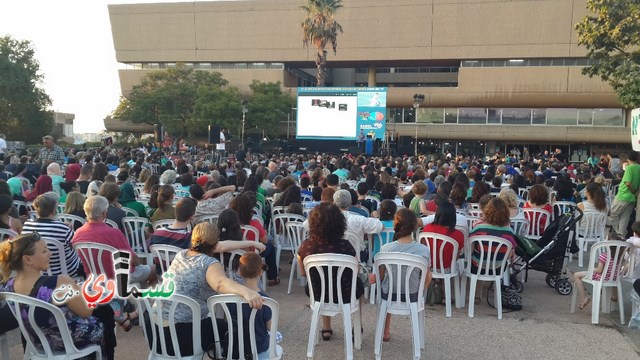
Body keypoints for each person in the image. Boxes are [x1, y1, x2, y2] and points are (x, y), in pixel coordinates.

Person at [0, 232, 115, 358]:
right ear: (28, 259)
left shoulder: (8, 287)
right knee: (105, 313)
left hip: (39, 342)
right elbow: (86, 312)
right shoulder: (60, 282)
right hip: (71, 342)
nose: (50, 253)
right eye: (44, 251)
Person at [156, 222, 264, 356]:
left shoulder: (181, 254)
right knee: (229, 328)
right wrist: (246, 291)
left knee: (212, 324)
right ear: (215, 243)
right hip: (178, 339)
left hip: (155, 334)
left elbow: (223, 245)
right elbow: (220, 283)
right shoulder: (209, 264)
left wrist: (249, 242)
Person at [297, 203, 364, 341]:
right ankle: (357, 324)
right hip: (346, 295)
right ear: (339, 224)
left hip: (317, 294)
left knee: (323, 282)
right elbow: (355, 270)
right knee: (359, 285)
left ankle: (326, 327)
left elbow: (303, 274)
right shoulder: (346, 246)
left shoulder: (306, 246)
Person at [72, 195, 157, 285]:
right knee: (156, 270)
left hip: (93, 277)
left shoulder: (77, 233)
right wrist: (139, 263)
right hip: (120, 276)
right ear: (105, 213)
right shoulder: (113, 233)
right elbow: (132, 259)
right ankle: (147, 298)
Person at [377, 208, 432, 342]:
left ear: (396, 225)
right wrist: (421, 289)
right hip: (412, 295)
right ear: (414, 227)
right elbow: (427, 278)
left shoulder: (386, 249)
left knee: (390, 283)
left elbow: (381, 277)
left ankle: (385, 332)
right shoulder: (423, 250)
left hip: (388, 295)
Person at [231, 252, 282, 359]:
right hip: (260, 350)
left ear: (240, 272)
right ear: (261, 272)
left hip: (236, 349)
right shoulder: (266, 301)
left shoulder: (230, 299)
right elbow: (270, 328)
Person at [22, 192, 83, 278]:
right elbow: (78, 246)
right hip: (67, 272)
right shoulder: (62, 229)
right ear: (54, 210)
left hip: (39, 271)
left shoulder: (27, 225)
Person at [230, 194, 279, 285]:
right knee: (270, 247)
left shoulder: (229, 224)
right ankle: (272, 277)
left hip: (232, 252)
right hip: (252, 253)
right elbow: (264, 241)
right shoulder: (254, 224)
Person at [573, 244, 622, 310]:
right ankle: (614, 295)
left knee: (576, 275)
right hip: (614, 279)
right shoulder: (620, 257)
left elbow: (599, 270)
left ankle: (583, 299)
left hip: (602, 278)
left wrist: (591, 269)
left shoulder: (604, 256)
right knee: (613, 277)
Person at [422, 201, 464, 270]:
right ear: (453, 216)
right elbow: (456, 257)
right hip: (447, 267)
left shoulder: (427, 228)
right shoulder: (458, 234)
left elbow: (423, 246)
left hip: (429, 264)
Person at [609, 151, 640, 238]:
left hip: (623, 195)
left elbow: (627, 183)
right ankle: (621, 235)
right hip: (632, 198)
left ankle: (619, 233)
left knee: (612, 214)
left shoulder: (629, 168)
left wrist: (633, 190)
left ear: (628, 158)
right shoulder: (639, 167)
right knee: (625, 217)